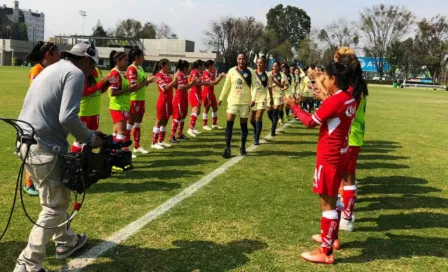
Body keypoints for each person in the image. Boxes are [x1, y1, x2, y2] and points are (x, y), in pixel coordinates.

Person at [14, 42, 103, 272]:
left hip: (27, 142)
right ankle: (28, 262)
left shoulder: (53, 68)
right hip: (44, 147)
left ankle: (66, 240)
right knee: (54, 207)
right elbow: (68, 118)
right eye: (92, 67)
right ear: (85, 60)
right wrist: (92, 138)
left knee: (58, 195)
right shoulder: (74, 74)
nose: (91, 73)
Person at [284, 60, 357, 265]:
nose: (322, 80)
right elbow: (333, 105)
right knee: (332, 200)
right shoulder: (349, 98)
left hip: (329, 157)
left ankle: (325, 252)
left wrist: (294, 106)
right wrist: (323, 94)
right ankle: (331, 240)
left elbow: (310, 122)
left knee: (327, 204)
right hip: (341, 153)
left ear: (334, 79)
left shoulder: (335, 101)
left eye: (324, 77)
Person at [310, 47, 369, 233]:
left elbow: (337, 105)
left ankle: (346, 218)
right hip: (355, 134)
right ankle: (345, 216)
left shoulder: (349, 88)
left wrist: (319, 85)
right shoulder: (358, 83)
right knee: (348, 178)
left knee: (344, 180)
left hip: (346, 136)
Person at [23, 41, 60, 196]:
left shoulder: (52, 70)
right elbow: (38, 90)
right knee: (34, 147)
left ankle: (40, 180)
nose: (59, 55)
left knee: (44, 148)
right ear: (48, 54)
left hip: (49, 114)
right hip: (36, 114)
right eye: (57, 52)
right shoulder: (36, 70)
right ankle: (29, 183)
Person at [219, 52, 257, 158]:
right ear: (237, 60)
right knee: (229, 124)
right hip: (232, 102)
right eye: (239, 59)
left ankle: (243, 147)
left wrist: (253, 99)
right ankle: (227, 148)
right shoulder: (231, 71)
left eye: (243, 59)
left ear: (246, 60)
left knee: (243, 125)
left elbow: (254, 87)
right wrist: (221, 98)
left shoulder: (251, 72)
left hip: (245, 103)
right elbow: (226, 86)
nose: (241, 61)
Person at [70, 65, 110, 153]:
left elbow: (100, 91)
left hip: (95, 111)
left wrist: (107, 84)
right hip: (84, 111)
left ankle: (87, 161)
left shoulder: (98, 70)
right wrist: (100, 84)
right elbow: (84, 92)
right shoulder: (82, 71)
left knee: (91, 138)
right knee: (80, 139)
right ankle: (73, 159)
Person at [108, 51, 140, 156]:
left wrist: (132, 89)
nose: (127, 62)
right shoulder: (114, 73)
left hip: (123, 106)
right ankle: (115, 155)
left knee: (117, 132)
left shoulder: (122, 73)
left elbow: (124, 89)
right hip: (117, 106)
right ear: (118, 61)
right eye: (125, 60)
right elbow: (112, 92)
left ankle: (112, 154)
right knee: (122, 132)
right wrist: (128, 89)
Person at [126, 48, 154, 154]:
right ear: (136, 57)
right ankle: (126, 149)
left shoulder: (140, 68)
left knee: (138, 123)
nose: (144, 58)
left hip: (141, 99)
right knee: (130, 124)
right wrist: (147, 81)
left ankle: (137, 146)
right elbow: (134, 86)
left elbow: (142, 85)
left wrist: (149, 81)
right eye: (142, 56)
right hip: (134, 99)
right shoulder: (131, 69)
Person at [152, 59, 178, 149]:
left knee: (165, 120)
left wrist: (176, 81)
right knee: (159, 120)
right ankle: (154, 142)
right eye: (168, 65)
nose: (169, 67)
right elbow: (166, 87)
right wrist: (174, 80)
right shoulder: (158, 76)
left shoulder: (168, 75)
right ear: (162, 66)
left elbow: (174, 85)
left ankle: (161, 140)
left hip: (169, 100)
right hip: (163, 100)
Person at [170, 59, 197, 143]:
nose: (189, 69)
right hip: (179, 98)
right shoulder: (179, 75)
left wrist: (192, 82)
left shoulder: (184, 75)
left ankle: (180, 134)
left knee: (183, 116)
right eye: (187, 67)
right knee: (177, 116)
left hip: (184, 97)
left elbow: (185, 87)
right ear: (184, 68)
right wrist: (192, 82)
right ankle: (172, 136)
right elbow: (183, 87)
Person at [250, 57, 273, 145]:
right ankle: (256, 129)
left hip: (262, 98)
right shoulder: (252, 73)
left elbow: (270, 88)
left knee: (258, 117)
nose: (259, 64)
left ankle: (257, 138)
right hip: (253, 98)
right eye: (258, 62)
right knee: (251, 119)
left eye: (261, 63)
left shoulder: (268, 75)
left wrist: (271, 100)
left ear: (264, 64)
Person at [202, 59, 225, 131]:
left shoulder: (211, 73)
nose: (214, 66)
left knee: (215, 107)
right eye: (213, 65)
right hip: (207, 92)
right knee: (207, 108)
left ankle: (214, 124)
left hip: (211, 92)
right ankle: (205, 125)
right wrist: (220, 77)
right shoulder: (206, 73)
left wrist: (217, 74)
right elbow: (213, 83)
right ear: (210, 66)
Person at [268, 61, 287, 137]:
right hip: (269, 95)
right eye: (274, 66)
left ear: (279, 67)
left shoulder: (282, 75)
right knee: (269, 113)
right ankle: (274, 122)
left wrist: (274, 81)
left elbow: (282, 86)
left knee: (275, 112)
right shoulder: (268, 74)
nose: (275, 67)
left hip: (278, 95)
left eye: (276, 66)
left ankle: (273, 130)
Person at [187, 60, 205, 137]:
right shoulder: (195, 72)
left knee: (197, 111)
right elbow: (194, 82)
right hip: (194, 92)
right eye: (202, 65)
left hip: (198, 92)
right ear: (199, 66)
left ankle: (193, 127)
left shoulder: (198, 72)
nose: (203, 67)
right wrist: (203, 83)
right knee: (196, 110)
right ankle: (190, 129)